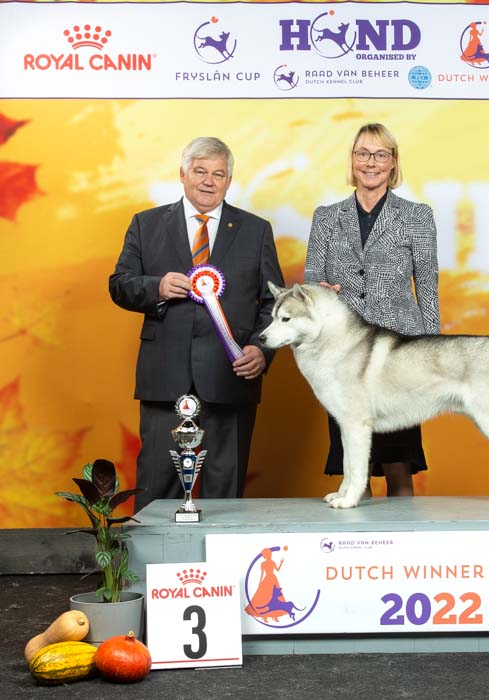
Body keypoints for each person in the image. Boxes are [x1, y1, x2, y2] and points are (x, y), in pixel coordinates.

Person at [109, 136, 284, 511]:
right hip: (164, 377)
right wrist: (156, 287)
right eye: (200, 171)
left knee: (225, 494)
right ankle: (155, 553)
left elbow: (274, 302)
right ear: (182, 174)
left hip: (231, 377)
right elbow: (119, 285)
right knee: (156, 491)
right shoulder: (146, 224)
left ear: (229, 180)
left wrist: (261, 349)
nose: (208, 181)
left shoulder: (256, 230)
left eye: (218, 174)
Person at [304, 123, 440, 497]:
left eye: (381, 154)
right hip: (342, 356)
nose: (371, 162)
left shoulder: (417, 216)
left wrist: (433, 353)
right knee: (354, 467)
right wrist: (321, 293)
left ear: (393, 163)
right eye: (363, 153)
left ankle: (403, 534)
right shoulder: (326, 217)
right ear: (352, 160)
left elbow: (427, 287)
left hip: (398, 358)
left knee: (399, 465)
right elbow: (311, 285)